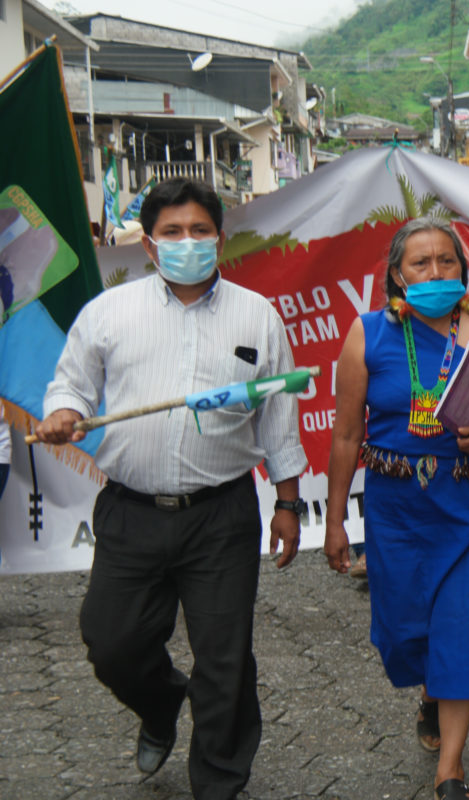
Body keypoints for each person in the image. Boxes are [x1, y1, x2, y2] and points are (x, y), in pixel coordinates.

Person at [34, 177, 307, 799]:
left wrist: (288, 504)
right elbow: (70, 385)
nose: (188, 242)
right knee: (111, 643)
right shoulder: (109, 311)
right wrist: (62, 412)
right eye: (173, 232)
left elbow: (279, 421)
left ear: (221, 237)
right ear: (150, 246)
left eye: (200, 230)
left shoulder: (257, 316)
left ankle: (218, 782)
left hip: (222, 517)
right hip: (131, 513)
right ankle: (159, 706)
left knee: (225, 660)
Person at [324, 217, 469, 800]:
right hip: (397, 509)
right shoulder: (366, 334)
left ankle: (451, 770)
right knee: (403, 631)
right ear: (397, 273)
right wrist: (337, 518)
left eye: (448, 260)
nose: (436, 271)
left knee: (463, 623)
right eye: (421, 263)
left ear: (463, 270)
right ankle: (430, 691)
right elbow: (346, 436)